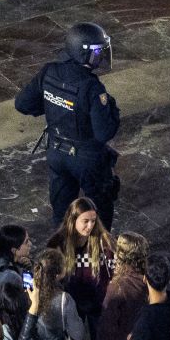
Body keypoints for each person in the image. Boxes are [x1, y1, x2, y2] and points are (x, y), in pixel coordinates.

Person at [18, 23, 123, 228]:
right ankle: (97, 254)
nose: (101, 55)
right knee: (99, 211)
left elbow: (22, 103)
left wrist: (52, 108)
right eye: (97, 51)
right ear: (83, 53)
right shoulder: (91, 86)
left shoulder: (49, 71)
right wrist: (112, 111)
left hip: (56, 152)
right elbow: (104, 133)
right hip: (87, 158)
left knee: (62, 214)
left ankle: (64, 253)